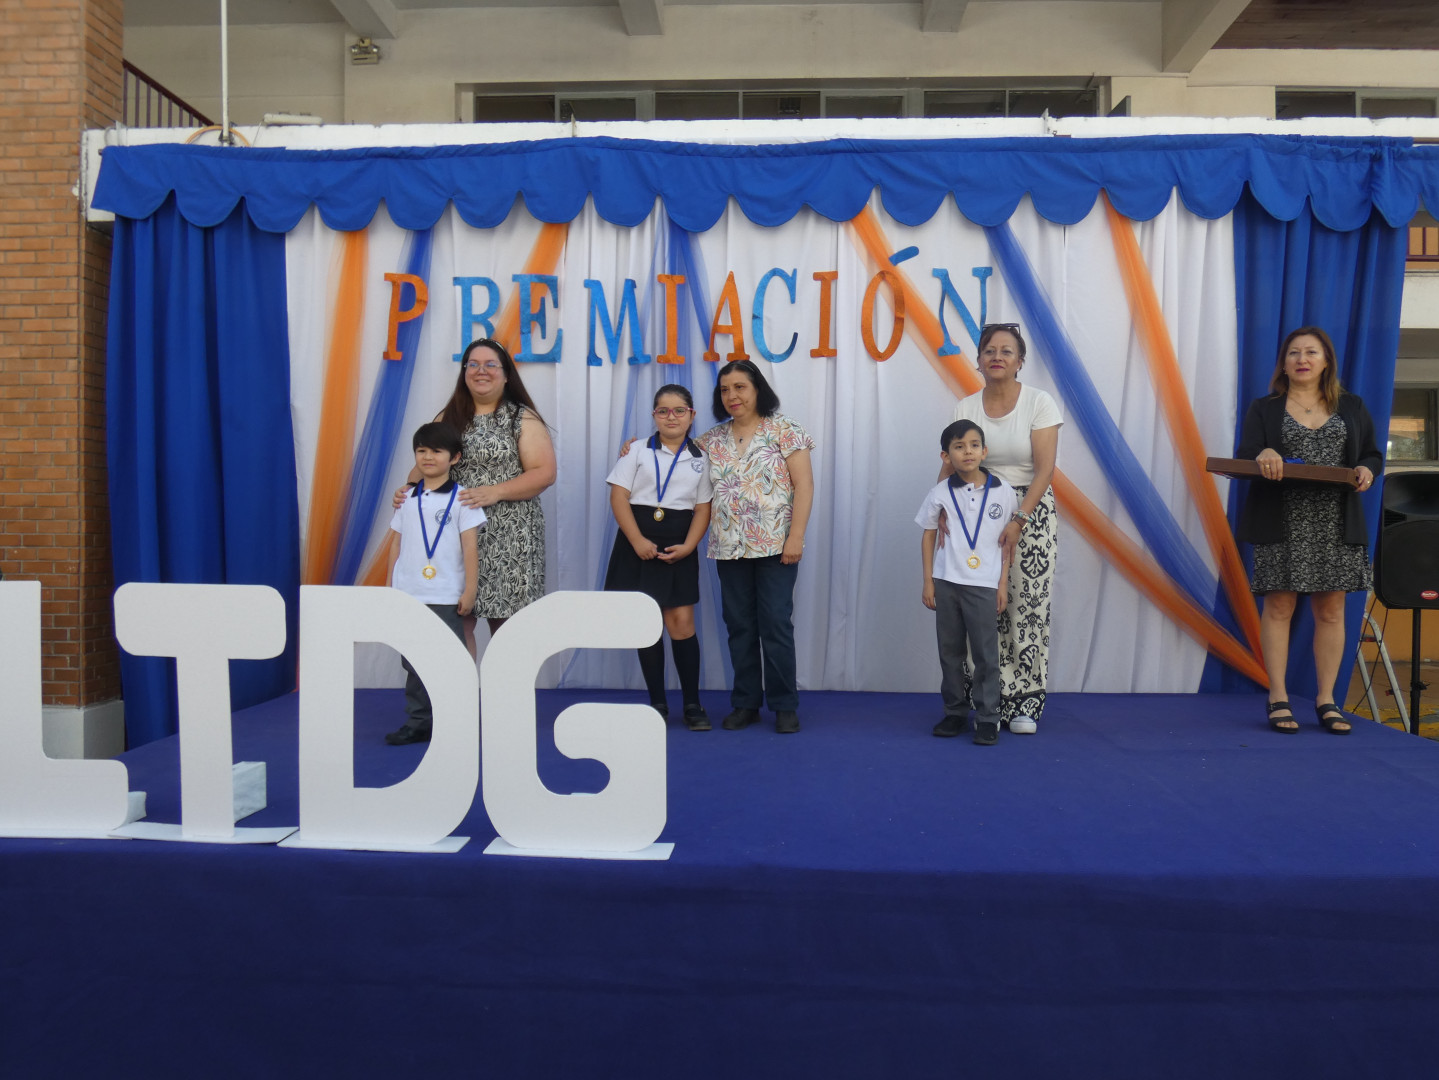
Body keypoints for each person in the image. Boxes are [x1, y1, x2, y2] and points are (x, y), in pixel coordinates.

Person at [1236, 326, 1380, 735]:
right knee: (1279, 607)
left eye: (1311, 352)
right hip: (1280, 518)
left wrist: (1367, 467)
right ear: (1284, 364)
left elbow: (1371, 453)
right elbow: (1246, 455)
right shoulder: (1265, 408)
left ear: (1326, 361)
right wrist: (1264, 451)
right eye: (1294, 352)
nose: (1302, 359)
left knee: (1331, 611)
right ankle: (1278, 696)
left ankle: (1326, 700)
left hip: (1336, 519)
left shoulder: (1351, 405)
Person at [941, 323, 1061, 735]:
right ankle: (985, 701)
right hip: (976, 509)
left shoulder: (1039, 402)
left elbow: (1045, 470)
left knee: (1026, 604)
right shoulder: (965, 407)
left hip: (1030, 511)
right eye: (989, 350)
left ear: (1020, 361)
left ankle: (1024, 701)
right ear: (978, 360)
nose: (997, 356)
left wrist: (1019, 518)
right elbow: (952, 462)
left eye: (1007, 351)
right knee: (979, 605)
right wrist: (942, 508)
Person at [394, 338, 555, 637]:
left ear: (506, 375)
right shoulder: (448, 418)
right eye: (473, 364)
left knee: (508, 626)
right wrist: (409, 488)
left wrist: (495, 492)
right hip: (453, 534)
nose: (482, 371)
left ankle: (505, 672)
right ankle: (461, 672)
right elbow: (425, 465)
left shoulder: (521, 418)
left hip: (509, 536)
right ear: (464, 372)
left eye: (491, 364)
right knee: (457, 620)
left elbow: (544, 473)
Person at [696, 360, 814, 734]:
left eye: (740, 387)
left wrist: (796, 536)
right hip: (728, 547)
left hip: (777, 546)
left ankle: (784, 705)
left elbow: (804, 486)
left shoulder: (785, 429)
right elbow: (673, 462)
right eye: (724, 389)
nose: (732, 395)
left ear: (757, 389)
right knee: (739, 625)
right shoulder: (710, 441)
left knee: (775, 623)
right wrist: (635, 450)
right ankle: (745, 702)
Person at [605, 385, 714, 731]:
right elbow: (619, 497)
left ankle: (693, 704)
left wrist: (690, 546)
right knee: (647, 624)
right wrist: (637, 540)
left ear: (692, 415)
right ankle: (657, 703)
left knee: (681, 624)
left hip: (679, 545)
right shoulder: (636, 450)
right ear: (654, 415)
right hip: (637, 544)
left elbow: (703, 508)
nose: (671, 417)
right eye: (663, 411)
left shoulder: (702, 458)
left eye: (680, 410)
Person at [384, 422, 487, 746]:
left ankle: (455, 720)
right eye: (421, 450)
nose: (428, 457)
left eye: (437, 451)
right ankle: (419, 722)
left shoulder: (463, 499)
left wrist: (469, 590)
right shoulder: (406, 498)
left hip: (445, 595)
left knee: (449, 659)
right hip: (409, 594)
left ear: (454, 458)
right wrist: (390, 588)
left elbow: (470, 547)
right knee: (413, 661)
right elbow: (396, 544)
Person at [918, 420, 1016, 746]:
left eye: (974, 445)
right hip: (946, 582)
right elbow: (928, 536)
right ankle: (955, 713)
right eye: (959, 447)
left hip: (984, 584)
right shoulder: (939, 493)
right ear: (946, 456)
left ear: (984, 451)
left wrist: (1002, 584)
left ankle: (988, 718)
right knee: (950, 652)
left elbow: (1007, 544)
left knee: (986, 655)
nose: (968, 452)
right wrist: (928, 581)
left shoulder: (1004, 492)